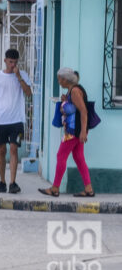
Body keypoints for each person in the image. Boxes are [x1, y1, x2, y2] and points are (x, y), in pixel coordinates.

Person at [39, 68, 95, 197]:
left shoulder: (75, 91)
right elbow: (74, 108)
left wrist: (82, 132)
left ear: (65, 79)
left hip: (73, 131)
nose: (58, 81)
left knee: (61, 156)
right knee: (79, 157)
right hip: (74, 130)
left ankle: (55, 188)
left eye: (59, 79)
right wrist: (66, 100)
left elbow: (84, 111)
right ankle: (88, 188)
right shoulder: (71, 91)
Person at [0, 49, 32, 194]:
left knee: (13, 148)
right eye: (10, 62)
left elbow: (28, 93)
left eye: (15, 62)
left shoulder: (22, 76)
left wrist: (19, 77)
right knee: (2, 149)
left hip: (17, 120)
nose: (13, 65)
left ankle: (13, 182)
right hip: (1, 120)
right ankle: (2, 181)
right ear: (5, 61)